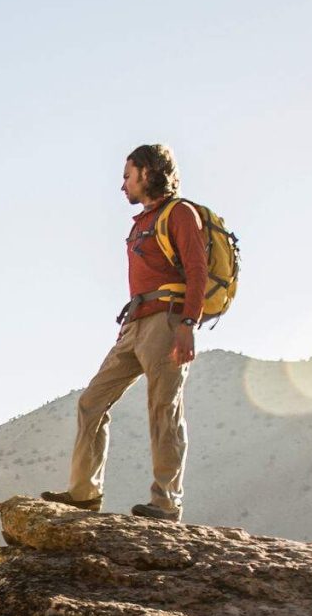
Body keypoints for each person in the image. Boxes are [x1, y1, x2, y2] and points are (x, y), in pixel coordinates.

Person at [44, 143, 203, 521]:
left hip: (167, 321)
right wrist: (129, 327)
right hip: (135, 324)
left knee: (164, 409)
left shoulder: (180, 214)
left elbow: (198, 271)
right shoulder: (142, 222)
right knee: (91, 402)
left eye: (127, 176)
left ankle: (166, 503)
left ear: (147, 173)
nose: (122, 186)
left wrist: (188, 324)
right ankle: (84, 493)